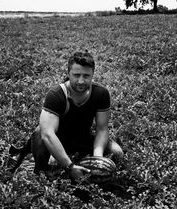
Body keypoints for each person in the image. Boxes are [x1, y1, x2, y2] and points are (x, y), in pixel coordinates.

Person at [10, 51, 123, 181]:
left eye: (86, 76)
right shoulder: (56, 95)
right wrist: (69, 166)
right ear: (68, 73)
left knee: (117, 153)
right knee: (40, 132)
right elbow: (48, 134)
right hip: (58, 139)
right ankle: (40, 168)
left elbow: (102, 129)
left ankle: (83, 164)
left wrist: (98, 159)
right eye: (76, 75)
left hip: (83, 137)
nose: (81, 81)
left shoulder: (101, 94)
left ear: (92, 74)